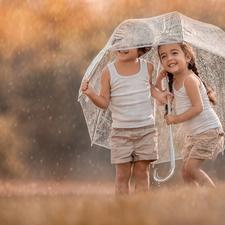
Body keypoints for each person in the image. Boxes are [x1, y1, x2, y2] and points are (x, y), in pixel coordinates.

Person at [81, 46, 173, 194]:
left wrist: (160, 95)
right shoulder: (108, 71)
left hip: (146, 131)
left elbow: (149, 87)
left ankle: (141, 207)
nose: (122, 47)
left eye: (128, 43)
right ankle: (122, 208)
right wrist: (91, 93)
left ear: (139, 48)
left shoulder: (147, 67)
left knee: (142, 172)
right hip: (120, 133)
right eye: (118, 42)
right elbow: (104, 102)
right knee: (123, 174)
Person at [156, 42, 224, 188]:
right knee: (186, 173)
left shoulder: (190, 80)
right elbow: (160, 102)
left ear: (187, 57)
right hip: (194, 135)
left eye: (174, 53)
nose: (169, 58)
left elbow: (198, 107)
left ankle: (214, 196)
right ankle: (196, 202)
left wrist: (177, 118)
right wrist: (159, 81)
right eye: (164, 56)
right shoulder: (173, 83)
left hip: (208, 131)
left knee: (191, 169)